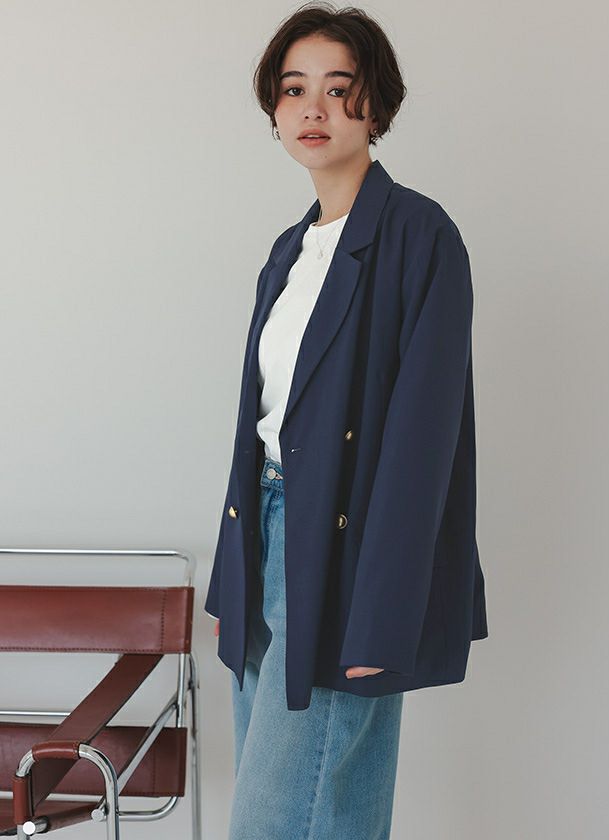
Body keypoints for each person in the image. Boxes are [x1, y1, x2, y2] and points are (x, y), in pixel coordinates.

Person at [205, 3, 488, 838]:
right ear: (274, 107)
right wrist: (234, 578)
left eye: (339, 87)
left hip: (343, 554)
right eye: (294, 89)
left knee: (277, 819)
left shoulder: (420, 237)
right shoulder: (288, 253)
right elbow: (261, 427)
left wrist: (383, 613)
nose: (314, 108)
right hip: (266, 537)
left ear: (377, 105)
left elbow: (423, 446)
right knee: (327, 812)